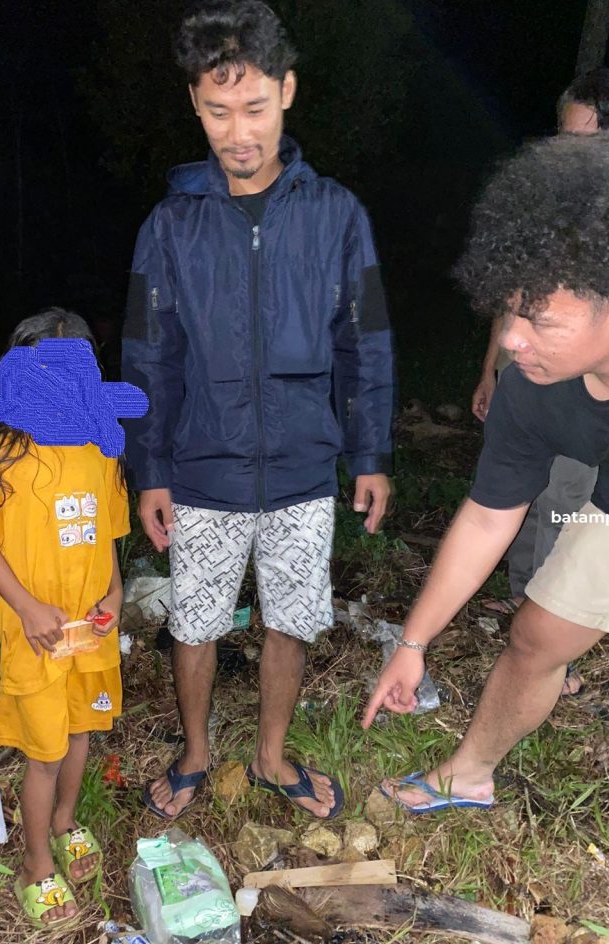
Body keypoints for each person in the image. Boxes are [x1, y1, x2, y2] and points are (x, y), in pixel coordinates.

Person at [123, 0, 394, 821]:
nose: (237, 131)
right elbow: (147, 356)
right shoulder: (171, 224)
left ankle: (273, 757)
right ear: (194, 107)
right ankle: (199, 752)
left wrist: (371, 454)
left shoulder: (337, 215)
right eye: (217, 110)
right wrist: (151, 471)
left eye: (254, 108)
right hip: (202, 467)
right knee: (197, 621)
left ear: (287, 92)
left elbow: (366, 342)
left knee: (292, 617)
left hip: (305, 465)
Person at [364, 134, 609, 813]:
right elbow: (490, 514)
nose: (513, 339)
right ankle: (471, 772)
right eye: (510, 310)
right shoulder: (530, 386)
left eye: (540, 322)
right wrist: (413, 642)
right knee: (537, 634)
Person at [0, 309, 132, 928]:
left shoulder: (99, 444)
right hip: (37, 632)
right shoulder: (1, 453)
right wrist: (26, 607)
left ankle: (64, 822)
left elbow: (107, 530)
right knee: (45, 753)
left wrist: (115, 590)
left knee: (81, 731)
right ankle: (35, 863)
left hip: (89, 627)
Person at [471, 69, 609, 672]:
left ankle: (552, 634)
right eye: (567, 139)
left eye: (591, 142)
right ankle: (530, 611)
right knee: (539, 495)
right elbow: (513, 299)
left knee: (584, 503)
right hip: (542, 374)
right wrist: (493, 368)